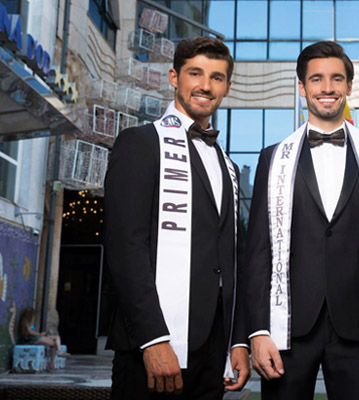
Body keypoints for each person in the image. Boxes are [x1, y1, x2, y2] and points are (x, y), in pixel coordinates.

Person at [244, 41, 359, 399]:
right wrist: (257, 330)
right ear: (302, 87)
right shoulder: (273, 159)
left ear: (349, 86)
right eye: (316, 79)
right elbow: (257, 252)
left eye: (336, 78)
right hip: (287, 328)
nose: (327, 87)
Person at [104, 36, 250, 399]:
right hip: (154, 346)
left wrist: (238, 340)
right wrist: (152, 338)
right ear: (174, 77)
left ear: (227, 87)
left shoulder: (228, 165)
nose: (205, 85)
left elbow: (232, 259)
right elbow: (125, 248)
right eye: (195, 73)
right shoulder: (140, 143)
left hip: (213, 349)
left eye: (216, 77)